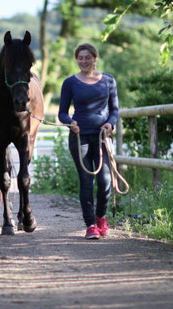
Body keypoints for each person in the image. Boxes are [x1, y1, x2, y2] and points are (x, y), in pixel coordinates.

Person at [58, 43, 119, 239]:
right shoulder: (70, 83)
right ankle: (90, 225)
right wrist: (70, 122)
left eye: (87, 57)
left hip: (102, 137)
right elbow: (62, 113)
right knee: (86, 181)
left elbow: (115, 110)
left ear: (95, 58)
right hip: (79, 137)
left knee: (105, 181)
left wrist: (110, 124)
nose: (83, 61)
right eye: (80, 58)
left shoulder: (108, 81)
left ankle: (101, 216)